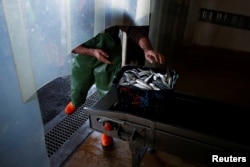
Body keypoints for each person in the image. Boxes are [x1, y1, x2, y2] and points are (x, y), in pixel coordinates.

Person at [65, 25, 165, 147]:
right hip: (83, 57)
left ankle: (107, 127)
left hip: (109, 58)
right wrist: (91, 52)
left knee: (108, 93)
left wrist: (147, 49)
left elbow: (133, 30)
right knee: (79, 84)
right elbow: (68, 42)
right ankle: (76, 101)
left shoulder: (112, 10)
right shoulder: (74, 13)